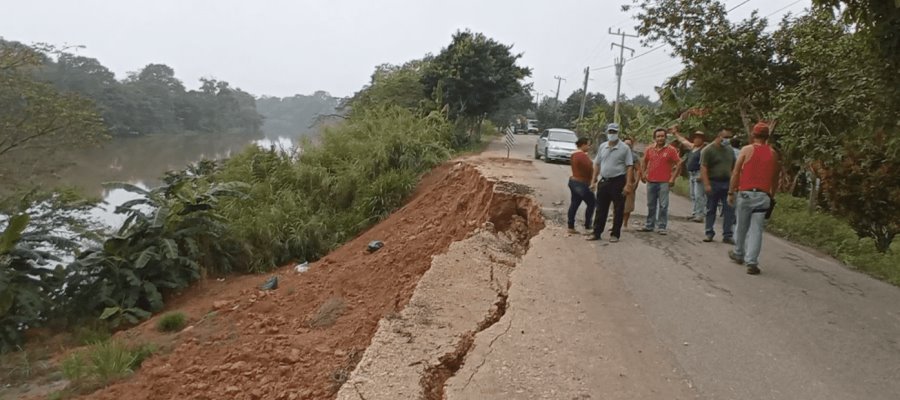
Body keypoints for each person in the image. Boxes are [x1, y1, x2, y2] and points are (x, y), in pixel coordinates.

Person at [729, 122, 780, 275]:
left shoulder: (746, 150)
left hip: (746, 194)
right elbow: (776, 177)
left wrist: (731, 192)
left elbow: (736, 172)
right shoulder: (773, 153)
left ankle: (738, 253)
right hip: (763, 195)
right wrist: (772, 194)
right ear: (767, 136)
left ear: (753, 135)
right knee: (756, 230)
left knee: (741, 226)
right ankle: (752, 262)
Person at [586, 123, 635, 243]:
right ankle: (596, 233)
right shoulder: (603, 146)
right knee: (600, 208)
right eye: (610, 132)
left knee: (618, 209)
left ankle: (615, 234)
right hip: (604, 181)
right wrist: (593, 181)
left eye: (614, 132)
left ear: (618, 133)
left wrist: (628, 184)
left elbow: (629, 166)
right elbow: (597, 164)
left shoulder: (624, 148)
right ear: (607, 132)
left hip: (618, 181)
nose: (612, 134)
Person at [638, 128, 682, 235]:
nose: (660, 138)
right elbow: (644, 161)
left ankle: (662, 226)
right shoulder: (649, 149)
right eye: (658, 136)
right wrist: (643, 174)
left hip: (664, 182)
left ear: (665, 137)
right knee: (651, 204)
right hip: (651, 181)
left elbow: (679, 163)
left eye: (662, 136)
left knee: (663, 205)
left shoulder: (671, 150)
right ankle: (649, 225)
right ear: (655, 138)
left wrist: (673, 178)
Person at [701, 129, 736, 244]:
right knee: (711, 208)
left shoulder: (730, 150)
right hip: (713, 182)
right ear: (719, 136)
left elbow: (733, 167)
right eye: (725, 137)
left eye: (729, 138)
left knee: (729, 209)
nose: (727, 140)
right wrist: (706, 184)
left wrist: (734, 184)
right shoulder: (708, 150)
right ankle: (709, 232)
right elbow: (704, 168)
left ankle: (727, 235)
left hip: (727, 183)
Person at [672, 128, 707, 222]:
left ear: (702, 140)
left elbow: (706, 164)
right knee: (693, 194)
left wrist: (702, 175)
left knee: (699, 195)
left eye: (699, 138)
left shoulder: (704, 150)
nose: (697, 140)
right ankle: (695, 213)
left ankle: (700, 215)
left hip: (699, 173)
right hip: (692, 173)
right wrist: (675, 133)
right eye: (696, 138)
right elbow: (683, 141)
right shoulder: (693, 147)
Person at [567, 137, 596, 234]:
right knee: (592, 203)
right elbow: (589, 168)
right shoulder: (582, 156)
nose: (589, 147)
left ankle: (570, 226)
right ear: (583, 145)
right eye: (588, 144)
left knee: (574, 203)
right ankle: (588, 225)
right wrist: (593, 179)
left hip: (574, 181)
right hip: (582, 183)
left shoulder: (574, 155)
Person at [622, 138, 642, 229]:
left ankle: (625, 224)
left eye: (629, 145)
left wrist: (636, 182)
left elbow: (638, 170)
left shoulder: (634, 156)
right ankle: (616, 223)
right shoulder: (618, 154)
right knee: (615, 203)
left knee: (628, 205)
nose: (627, 146)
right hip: (617, 182)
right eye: (625, 144)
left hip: (629, 182)